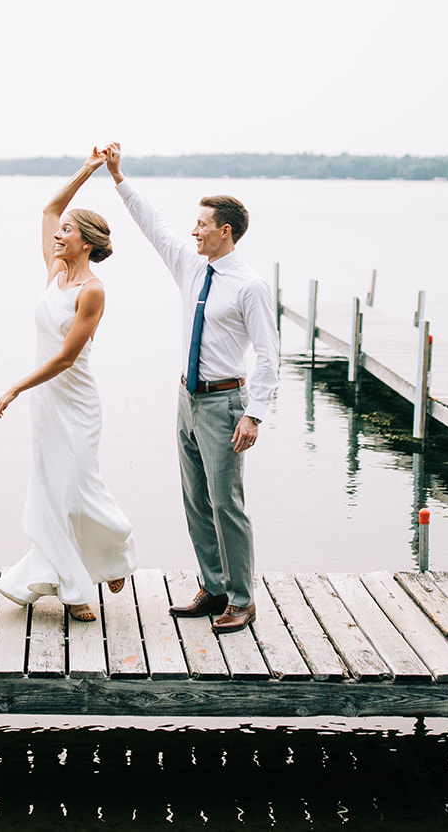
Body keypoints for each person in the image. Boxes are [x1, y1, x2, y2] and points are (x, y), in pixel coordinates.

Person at [102, 142, 278, 633]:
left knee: (228, 505)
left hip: (226, 404)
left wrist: (254, 413)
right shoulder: (190, 265)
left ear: (225, 231)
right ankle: (213, 585)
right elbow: (151, 223)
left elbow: (269, 354)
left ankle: (242, 598)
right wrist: (119, 178)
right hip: (187, 398)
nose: (192, 230)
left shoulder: (250, 286)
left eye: (201, 224)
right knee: (196, 499)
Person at [0, 148, 138, 622]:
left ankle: (112, 550)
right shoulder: (55, 272)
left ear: (87, 243)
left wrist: (16, 387)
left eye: (69, 232)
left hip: (74, 401)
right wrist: (89, 168)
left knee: (76, 486)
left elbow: (67, 356)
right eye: (60, 232)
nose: (58, 234)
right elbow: (49, 209)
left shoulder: (91, 290)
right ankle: (74, 587)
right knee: (49, 490)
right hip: (46, 406)